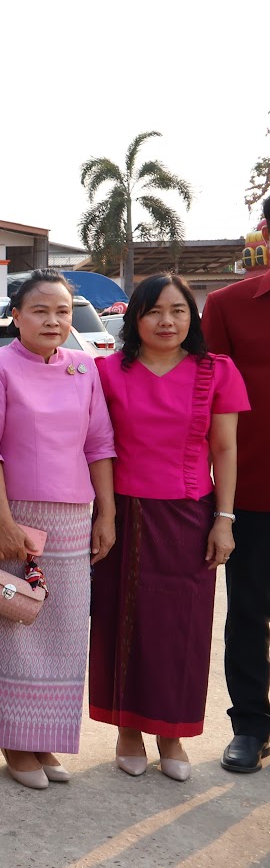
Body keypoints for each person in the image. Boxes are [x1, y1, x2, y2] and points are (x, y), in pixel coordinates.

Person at [0, 270, 116, 789]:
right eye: (40, 311)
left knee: (63, 629)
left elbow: (99, 443)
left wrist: (107, 514)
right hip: (15, 513)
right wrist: (0, 521)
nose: (53, 320)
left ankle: (43, 736)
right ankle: (13, 741)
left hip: (73, 517)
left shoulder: (83, 366)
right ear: (16, 316)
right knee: (13, 619)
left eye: (63, 311)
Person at [93, 274, 248, 780]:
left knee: (180, 631)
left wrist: (223, 520)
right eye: (155, 311)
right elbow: (96, 448)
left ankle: (172, 737)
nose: (167, 321)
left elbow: (225, 450)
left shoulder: (217, 371)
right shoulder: (107, 371)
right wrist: (104, 515)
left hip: (189, 514)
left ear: (192, 318)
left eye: (179, 311)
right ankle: (127, 731)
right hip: (122, 514)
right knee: (123, 623)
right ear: (134, 317)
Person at [203, 202, 270, 774]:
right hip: (252, 492)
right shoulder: (227, 306)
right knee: (248, 611)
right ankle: (251, 723)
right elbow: (200, 395)